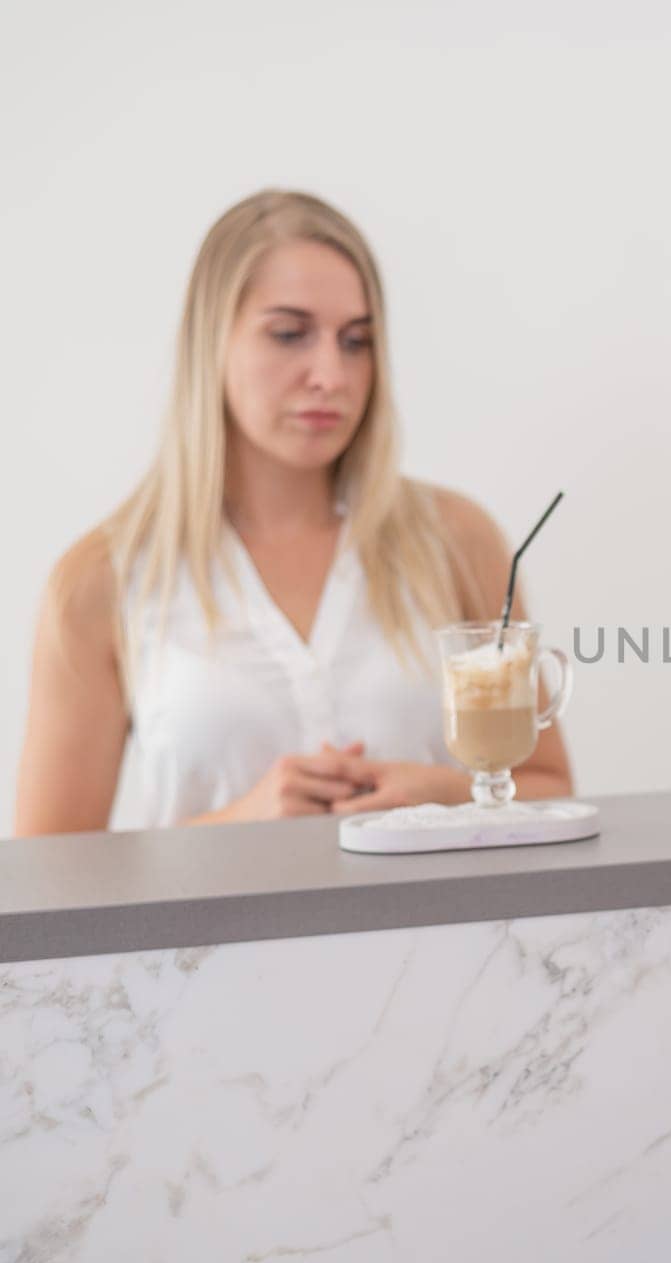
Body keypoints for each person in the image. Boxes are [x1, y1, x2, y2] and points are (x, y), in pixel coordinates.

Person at [15, 190, 573, 833]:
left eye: (357, 341)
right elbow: (46, 878)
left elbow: (548, 786)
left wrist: (446, 792)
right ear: (210, 344)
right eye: (289, 334)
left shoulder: (456, 541)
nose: (331, 374)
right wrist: (237, 828)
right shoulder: (101, 582)